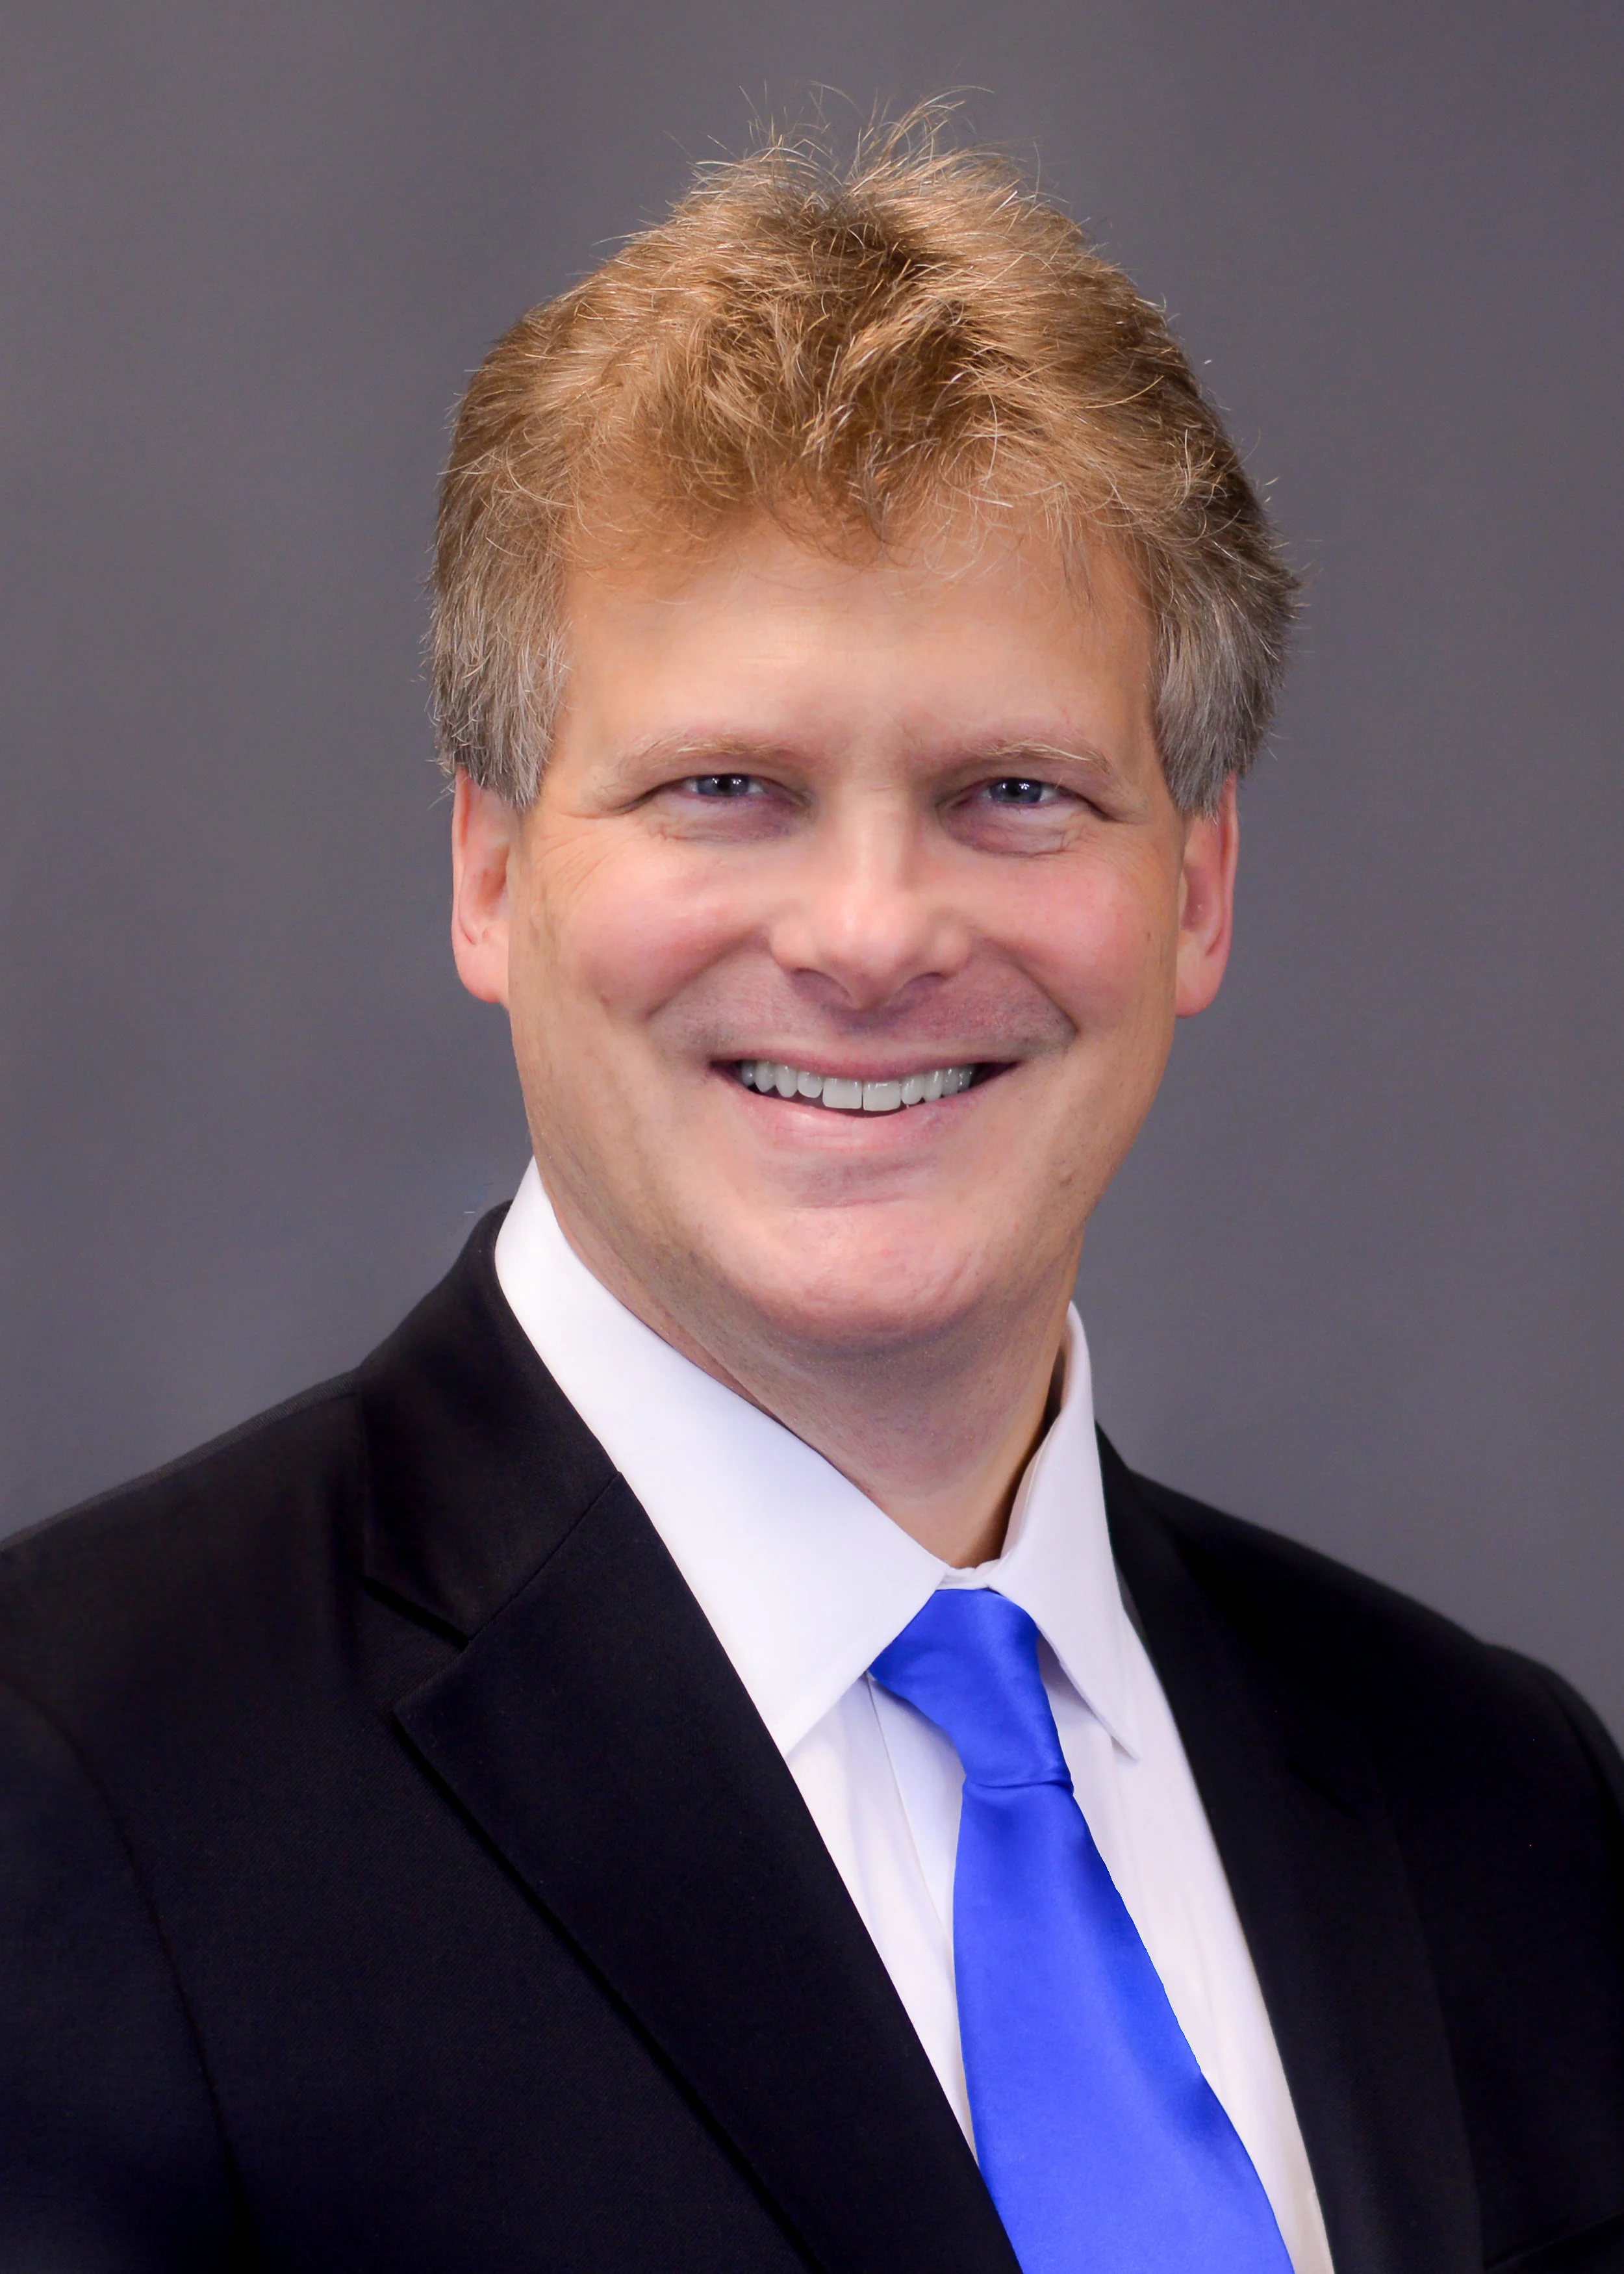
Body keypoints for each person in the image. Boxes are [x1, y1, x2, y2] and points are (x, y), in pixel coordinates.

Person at [2, 121, 1620, 2274]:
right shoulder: (73, 1783)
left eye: (1013, 791)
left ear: (1198, 885)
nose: (869, 935)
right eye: (725, 788)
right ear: (487, 866)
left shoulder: (1500, 1804)